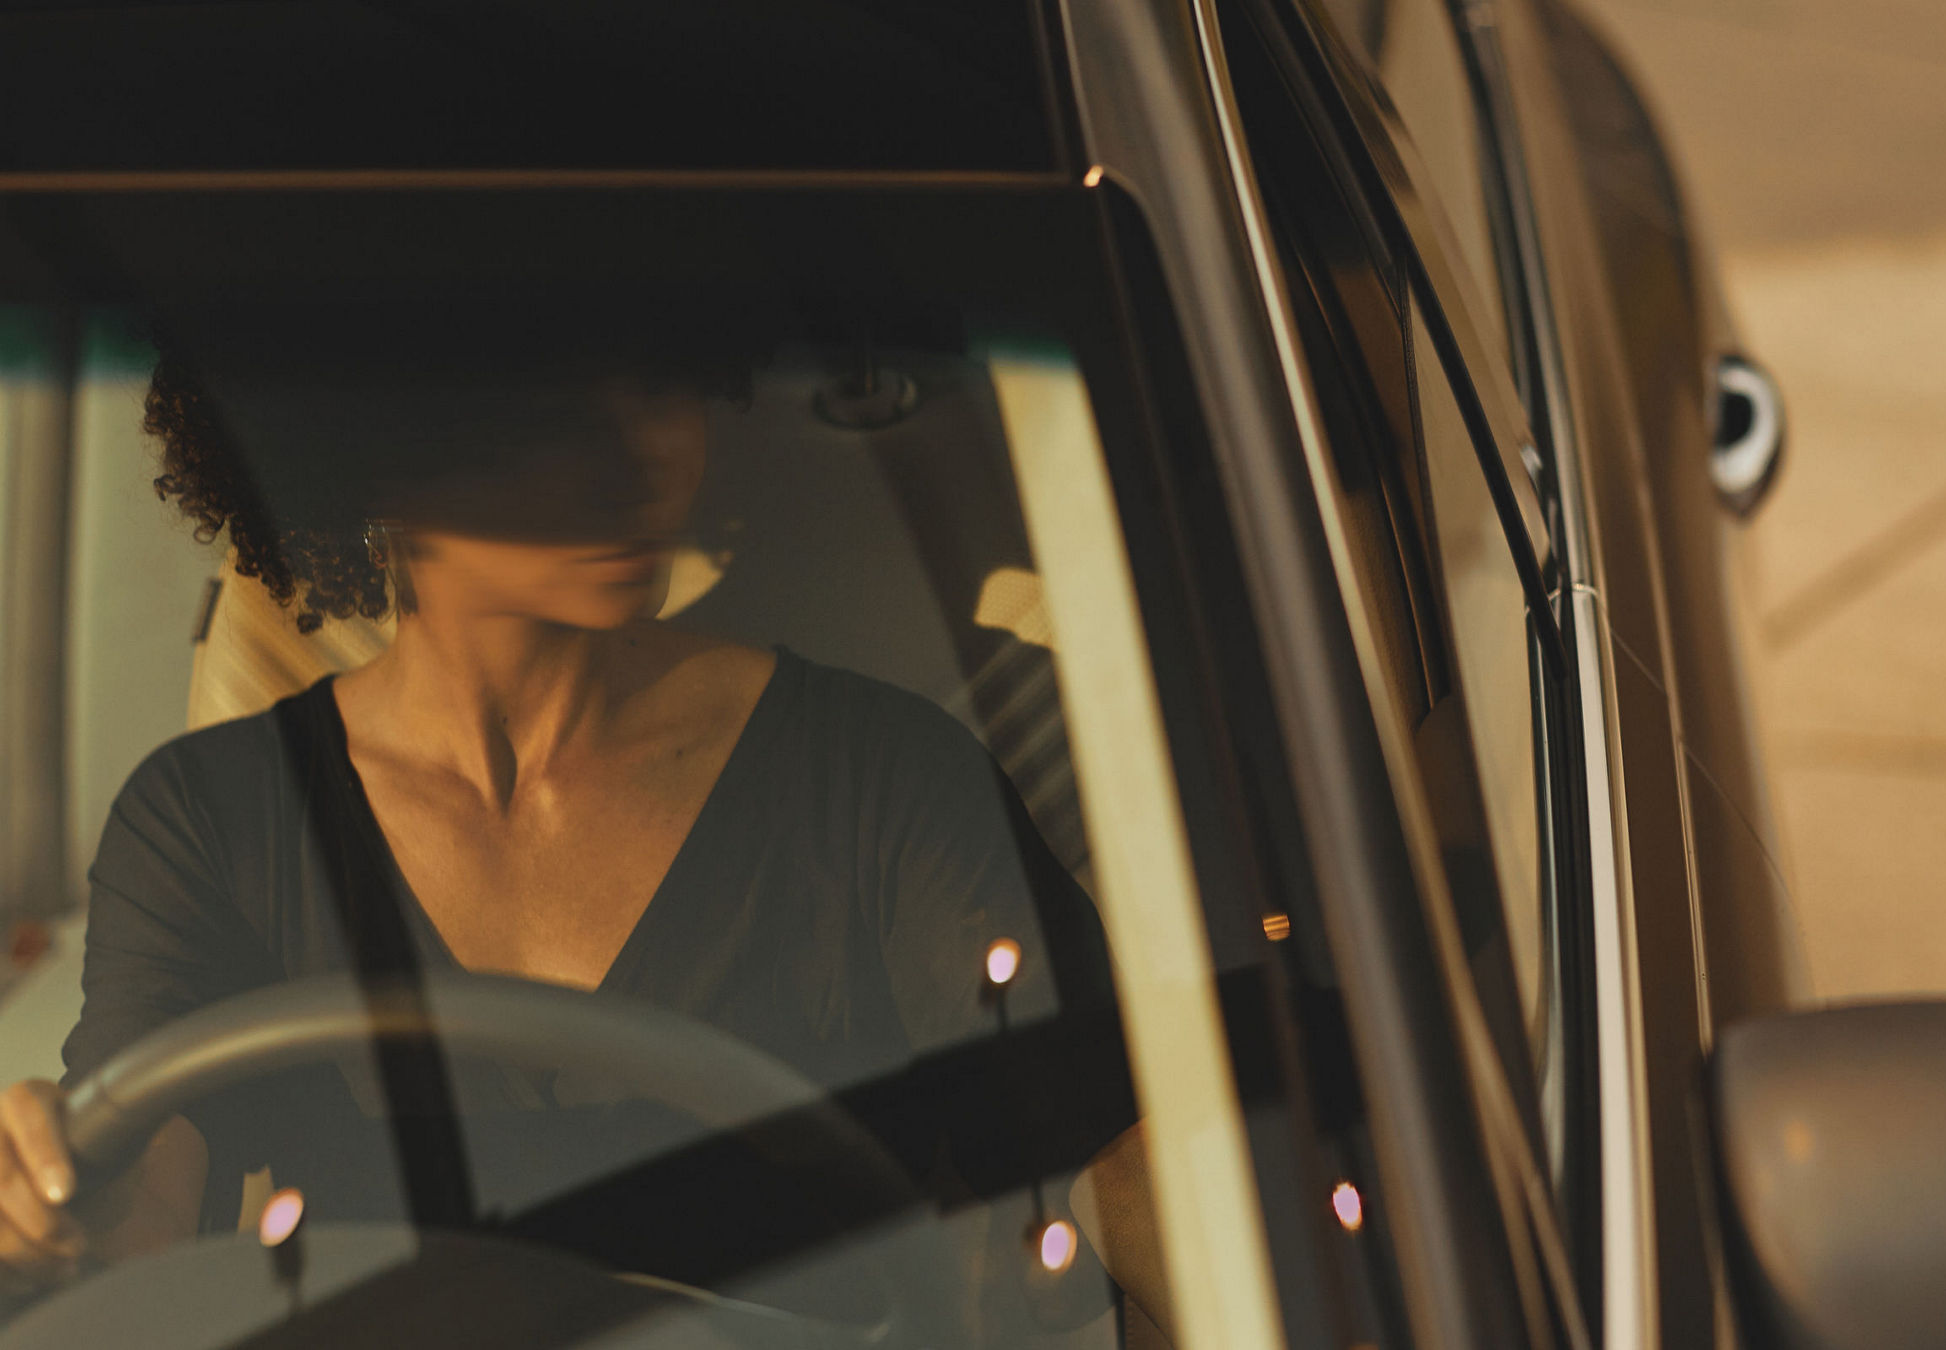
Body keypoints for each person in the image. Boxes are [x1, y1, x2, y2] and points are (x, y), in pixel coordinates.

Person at [0, 301, 1116, 1298]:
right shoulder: (210, 818)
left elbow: (1116, 1160)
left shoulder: (880, 779)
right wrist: (57, 1199)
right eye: (547, 403)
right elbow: (144, 1196)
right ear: (365, 439)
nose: (645, 451)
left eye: (665, 377)